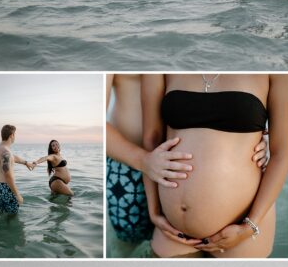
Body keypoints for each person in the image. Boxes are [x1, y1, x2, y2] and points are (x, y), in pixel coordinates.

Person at [106, 75, 269, 246]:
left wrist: (258, 132)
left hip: (165, 164)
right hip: (128, 163)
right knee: (127, 246)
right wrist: (144, 161)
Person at [141, 73, 288, 258]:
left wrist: (250, 226)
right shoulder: (162, 63)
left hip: (242, 229)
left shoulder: (276, 73)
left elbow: (282, 153)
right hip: (171, 231)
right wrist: (154, 210)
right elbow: (151, 142)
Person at [0, 124, 34, 214]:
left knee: (2, 213)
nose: (15, 137)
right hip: (6, 187)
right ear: (11, 135)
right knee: (12, 215)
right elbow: (8, 176)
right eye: (15, 134)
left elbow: (13, 157)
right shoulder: (6, 152)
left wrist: (26, 163)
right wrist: (17, 195)